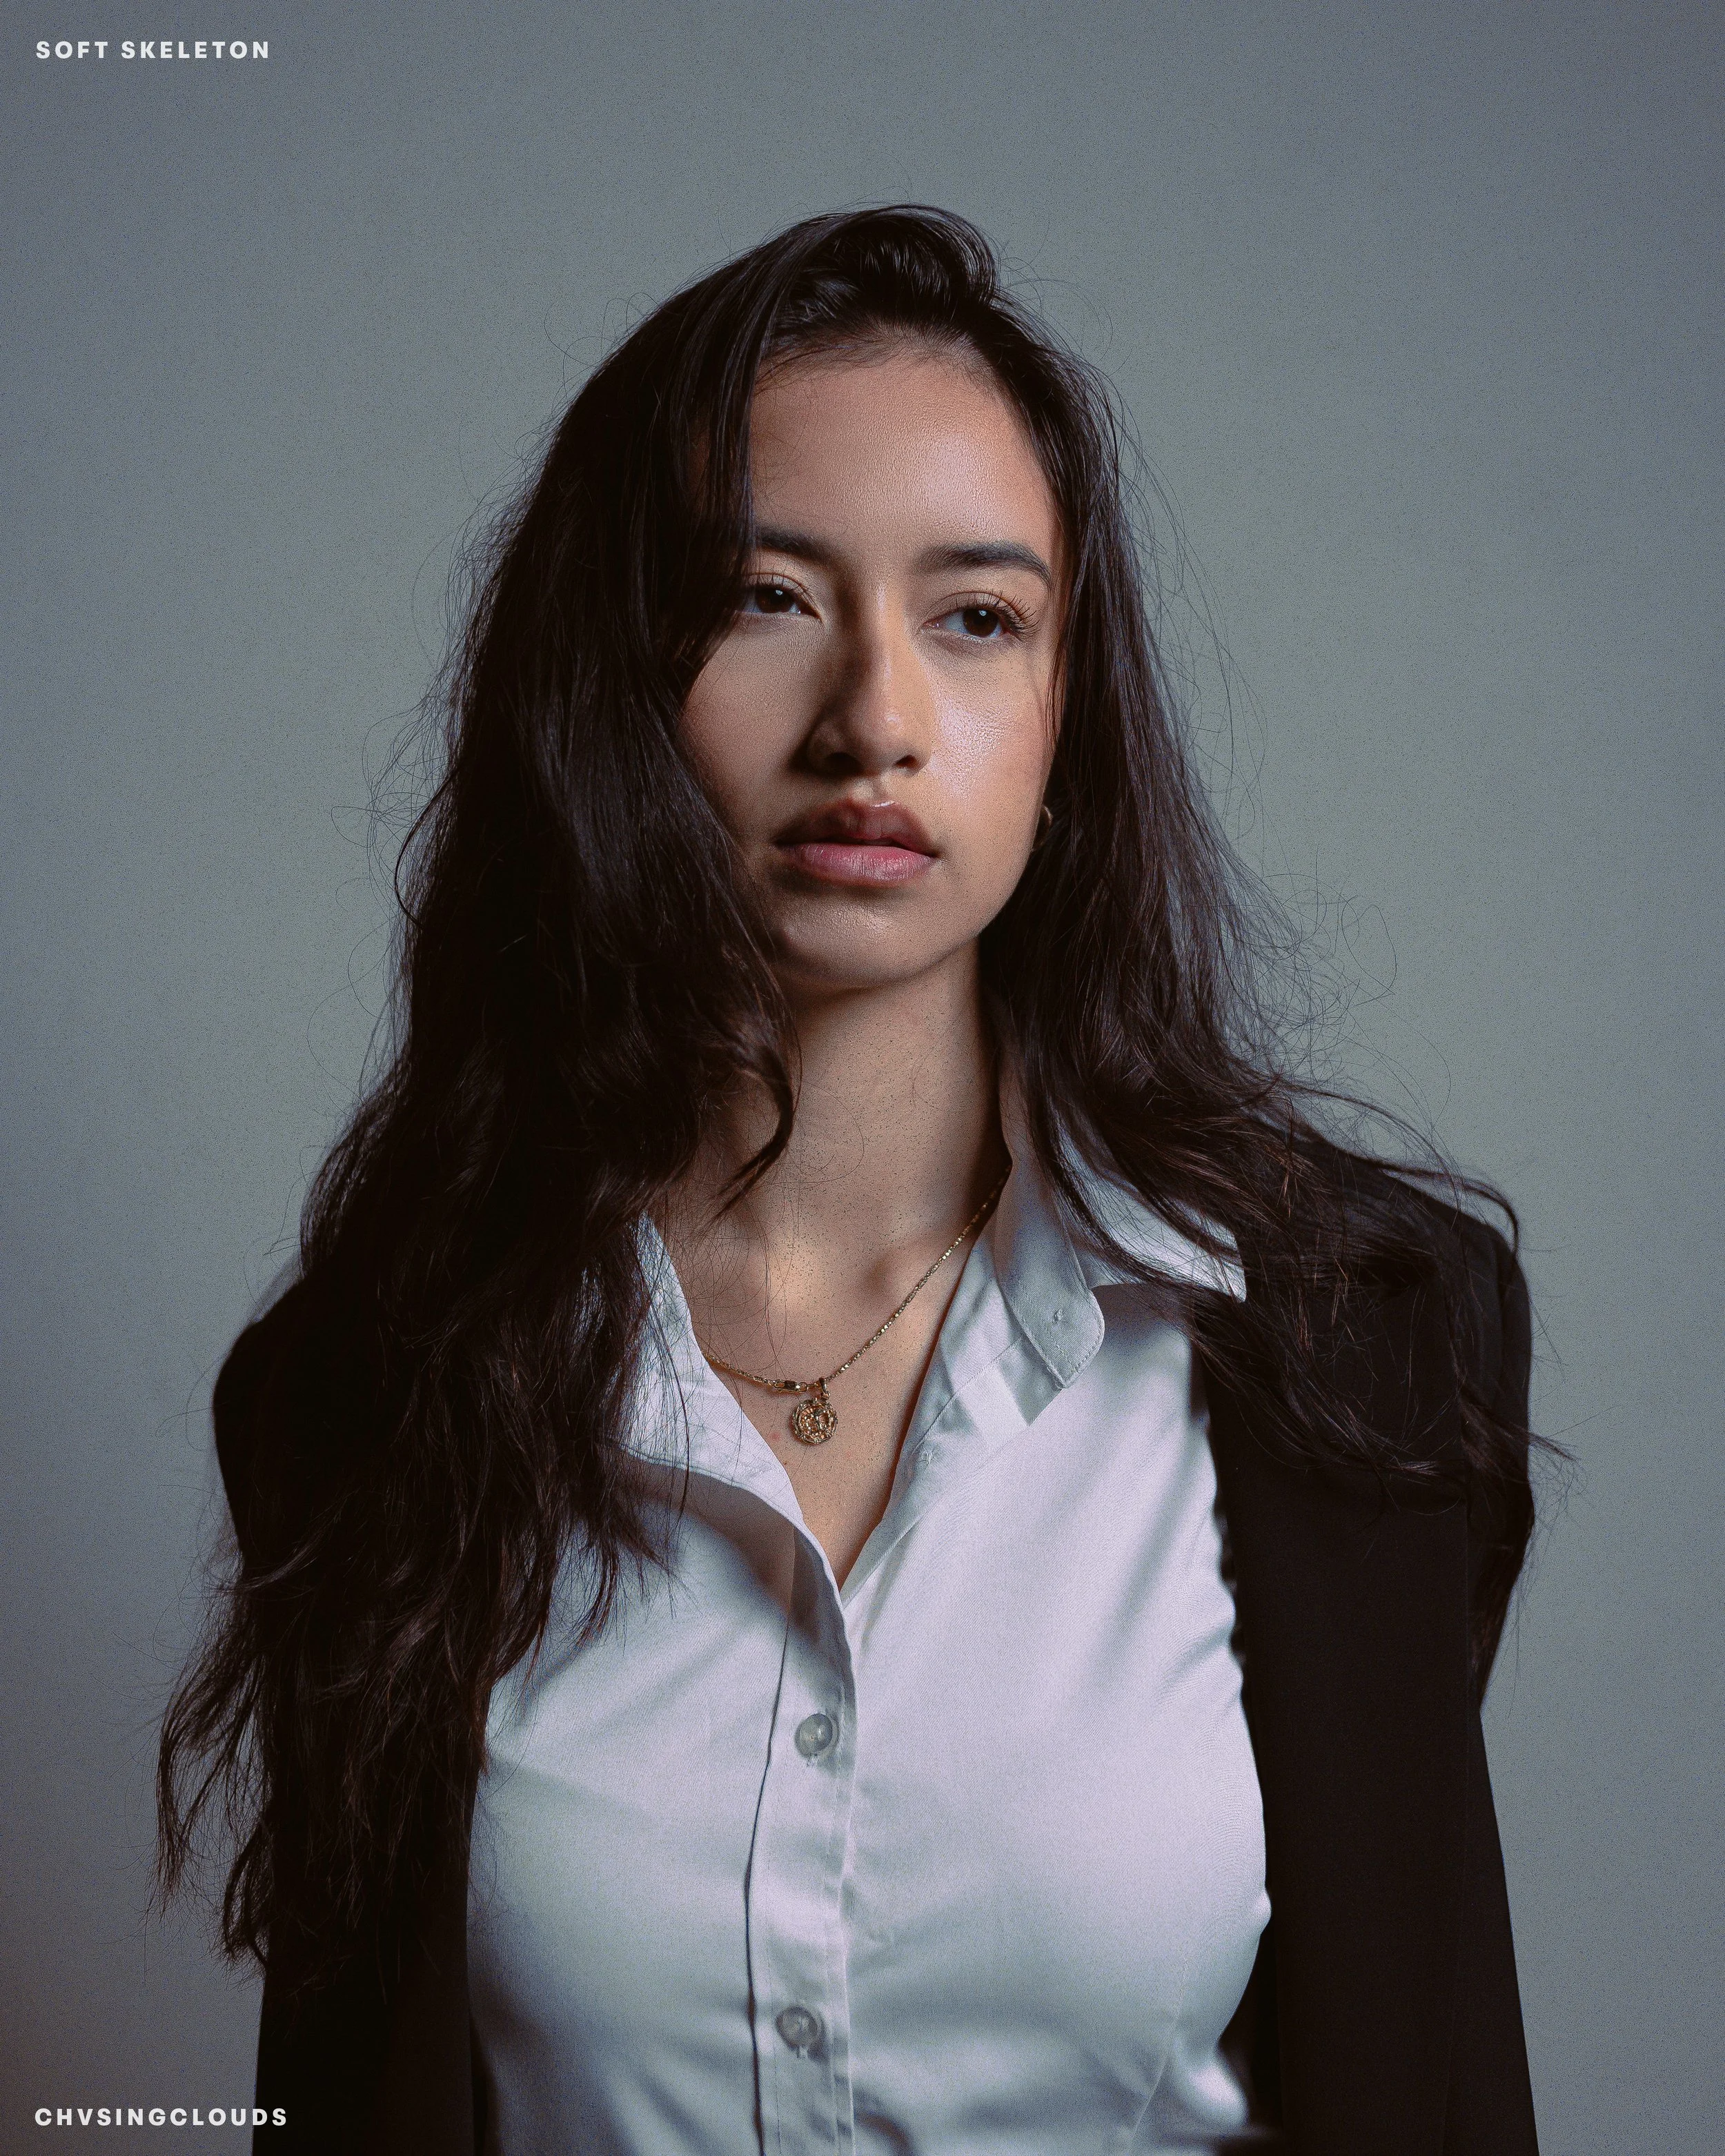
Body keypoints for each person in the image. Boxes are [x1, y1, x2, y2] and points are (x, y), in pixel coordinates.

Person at [159, 206, 1546, 2155]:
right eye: (764, 600)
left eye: (977, 615)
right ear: (611, 685)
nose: (876, 720)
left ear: (1067, 715)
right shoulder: (370, 1394)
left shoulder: (1363, 1346)